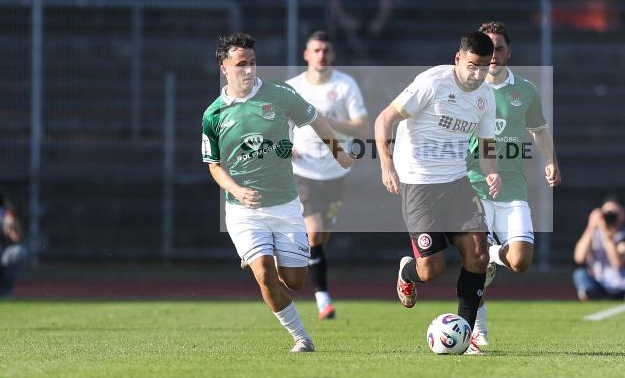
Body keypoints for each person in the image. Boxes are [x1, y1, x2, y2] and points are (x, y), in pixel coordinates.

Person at [202, 33, 355, 353]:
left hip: (285, 205)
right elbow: (214, 166)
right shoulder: (213, 114)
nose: (248, 69)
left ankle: (268, 259)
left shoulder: (280, 95)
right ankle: (302, 338)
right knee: (264, 274)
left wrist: (338, 152)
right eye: (240, 64)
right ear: (224, 68)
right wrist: (237, 190)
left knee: (295, 281)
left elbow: (315, 119)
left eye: (253, 62)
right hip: (243, 210)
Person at [374, 31, 500, 355]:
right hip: (418, 185)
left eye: (484, 67)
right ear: (458, 58)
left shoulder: (486, 96)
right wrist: (387, 166)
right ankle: (407, 272)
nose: (477, 74)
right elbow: (384, 120)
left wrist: (492, 170)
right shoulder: (432, 83)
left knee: (479, 255)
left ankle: (466, 336)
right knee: (431, 270)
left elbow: (487, 144)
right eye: (472, 65)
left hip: (456, 183)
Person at [467, 21, 561, 347]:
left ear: (509, 52)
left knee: (520, 261)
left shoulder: (526, 90)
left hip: (512, 188)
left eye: (499, 48)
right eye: (487, 49)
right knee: (475, 261)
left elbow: (539, 130)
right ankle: (478, 332)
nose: (493, 55)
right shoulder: (466, 88)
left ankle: (492, 255)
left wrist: (551, 160)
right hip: (473, 185)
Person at [287, 30, 368, 321]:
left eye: (326, 50)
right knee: (314, 232)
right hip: (303, 170)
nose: (321, 55)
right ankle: (323, 299)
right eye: (316, 50)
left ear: (332, 55)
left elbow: (362, 127)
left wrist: (326, 121)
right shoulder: (293, 88)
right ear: (306, 55)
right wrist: (286, 146)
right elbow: (278, 125)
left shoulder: (345, 85)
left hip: (335, 171)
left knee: (320, 238)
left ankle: (294, 256)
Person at [572, 196, 625, 302]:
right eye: (606, 213)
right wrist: (591, 226)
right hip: (600, 284)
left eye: (615, 213)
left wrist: (607, 236)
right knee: (580, 274)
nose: (610, 216)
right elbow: (579, 258)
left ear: (623, 215)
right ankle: (591, 293)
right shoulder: (593, 235)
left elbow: (617, 263)